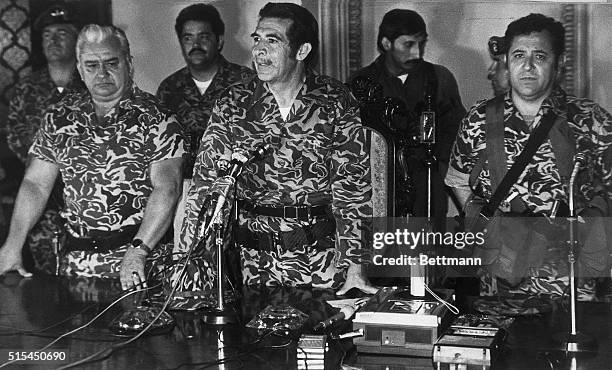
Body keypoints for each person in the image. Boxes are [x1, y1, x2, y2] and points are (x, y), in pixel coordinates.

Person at [178, 2, 376, 296]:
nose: (259, 50)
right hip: (254, 267)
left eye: (272, 40)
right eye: (257, 39)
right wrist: (191, 265)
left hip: (321, 265)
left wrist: (357, 267)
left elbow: (353, 190)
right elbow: (207, 188)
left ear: (302, 51)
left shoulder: (334, 101)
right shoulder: (234, 103)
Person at [0, 24, 185, 291]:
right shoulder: (60, 117)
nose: (102, 74)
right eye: (91, 65)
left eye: (111, 63)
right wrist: (12, 245)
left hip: (141, 267)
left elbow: (168, 188)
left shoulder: (158, 119)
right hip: (77, 268)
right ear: (79, 68)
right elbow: (36, 184)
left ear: (128, 63)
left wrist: (138, 252)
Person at [446, 13, 611, 298]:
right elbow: (457, 179)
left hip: (573, 287)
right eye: (519, 55)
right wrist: (484, 221)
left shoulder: (590, 120)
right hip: (502, 279)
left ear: (559, 64)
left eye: (540, 56)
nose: (528, 66)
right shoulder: (479, 119)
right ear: (507, 62)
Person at [350, 9, 466, 229]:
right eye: (408, 44)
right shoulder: (361, 84)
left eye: (421, 44)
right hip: (379, 194)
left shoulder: (440, 78)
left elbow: (458, 135)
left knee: (429, 256)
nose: (417, 53)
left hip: (427, 192)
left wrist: (437, 169)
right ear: (386, 43)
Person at [156, 3, 253, 247]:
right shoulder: (169, 89)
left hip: (236, 197)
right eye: (188, 37)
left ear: (219, 40)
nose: (195, 44)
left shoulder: (246, 83)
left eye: (203, 36)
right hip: (184, 197)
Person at [4, 3, 86, 274]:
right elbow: (17, 138)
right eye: (47, 34)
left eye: (62, 33)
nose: (53, 40)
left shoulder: (93, 86)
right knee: (47, 282)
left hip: (88, 200)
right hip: (42, 202)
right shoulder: (25, 90)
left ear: (77, 39)